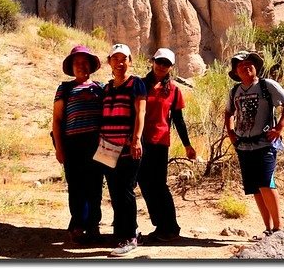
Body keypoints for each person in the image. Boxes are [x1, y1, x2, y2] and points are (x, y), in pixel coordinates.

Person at [224, 50, 284, 238]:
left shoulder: (266, 85)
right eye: (241, 65)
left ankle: (278, 229)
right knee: (256, 188)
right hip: (244, 146)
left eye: (249, 64)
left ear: (255, 67)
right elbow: (228, 113)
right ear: (236, 71)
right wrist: (231, 133)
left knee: (266, 183)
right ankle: (268, 228)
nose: (246, 67)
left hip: (265, 144)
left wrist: (279, 127)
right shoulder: (234, 91)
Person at [138, 48, 196, 243]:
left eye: (166, 63)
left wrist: (187, 145)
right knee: (144, 183)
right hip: (139, 141)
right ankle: (160, 225)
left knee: (159, 185)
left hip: (160, 142)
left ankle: (171, 227)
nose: (162, 66)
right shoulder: (140, 85)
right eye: (159, 61)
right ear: (153, 61)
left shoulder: (173, 89)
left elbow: (178, 120)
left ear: (171, 67)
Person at [52, 45, 105, 245]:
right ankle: (77, 224)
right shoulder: (64, 89)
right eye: (77, 63)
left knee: (94, 186)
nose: (82, 66)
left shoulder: (100, 88)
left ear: (91, 66)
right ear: (72, 67)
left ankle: (93, 225)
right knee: (76, 186)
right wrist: (59, 147)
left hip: (95, 143)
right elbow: (57, 120)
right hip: (72, 143)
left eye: (85, 63)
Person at [99, 43, 147, 257]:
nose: (120, 63)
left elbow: (140, 113)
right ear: (109, 62)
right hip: (108, 148)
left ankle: (129, 237)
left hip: (128, 148)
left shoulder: (136, 83)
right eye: (115, 58)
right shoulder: (107, 87)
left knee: (125, 191)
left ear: (130, 61)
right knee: (115, 192)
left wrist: (136, 139)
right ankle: (123, 232)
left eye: (124, 59)